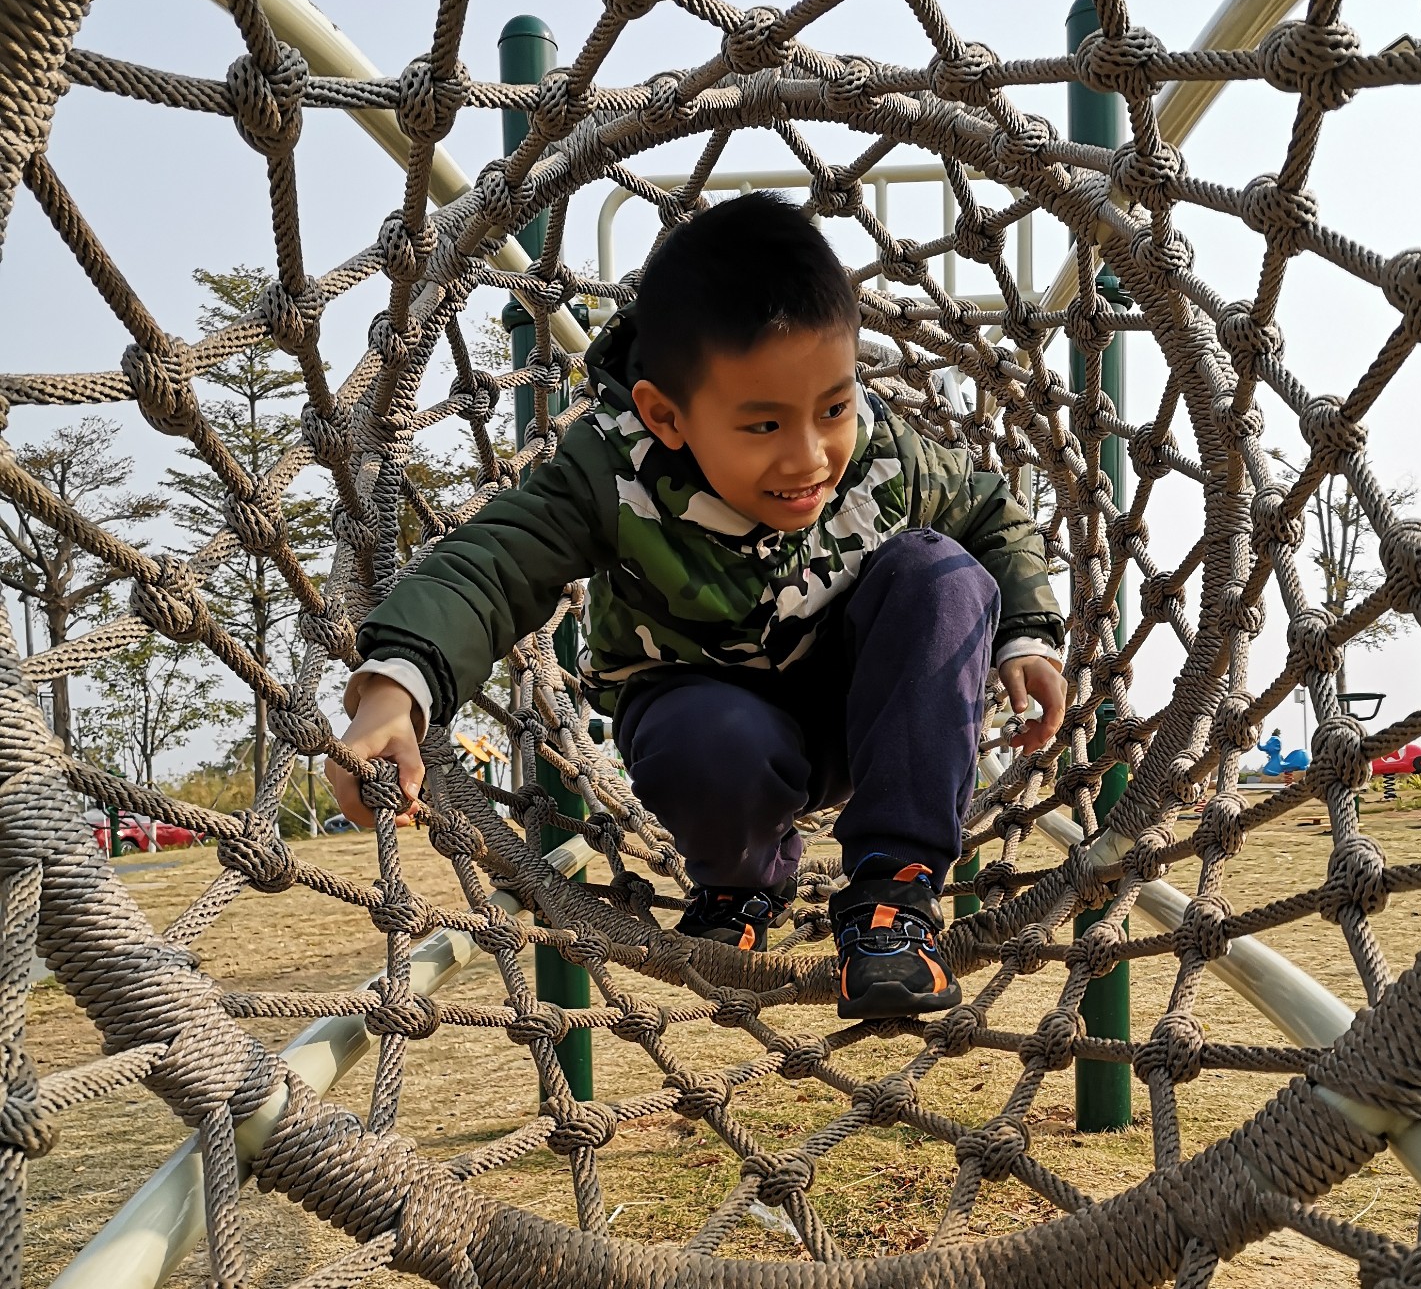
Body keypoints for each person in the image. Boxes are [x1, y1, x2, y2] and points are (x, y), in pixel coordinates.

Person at [328, 192, 1065, 1020]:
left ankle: (895, 889)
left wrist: (1027, 634)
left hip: (865, 715)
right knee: (706, 738)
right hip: (710, 726)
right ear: (665, 415)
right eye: (763, 426)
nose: (810, 457)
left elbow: (991, 513)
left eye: (832, 407)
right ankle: (742, 883)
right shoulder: (612, 471)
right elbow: (491, 566)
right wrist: (393, 688)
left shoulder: (882, 450)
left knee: (942, 573)